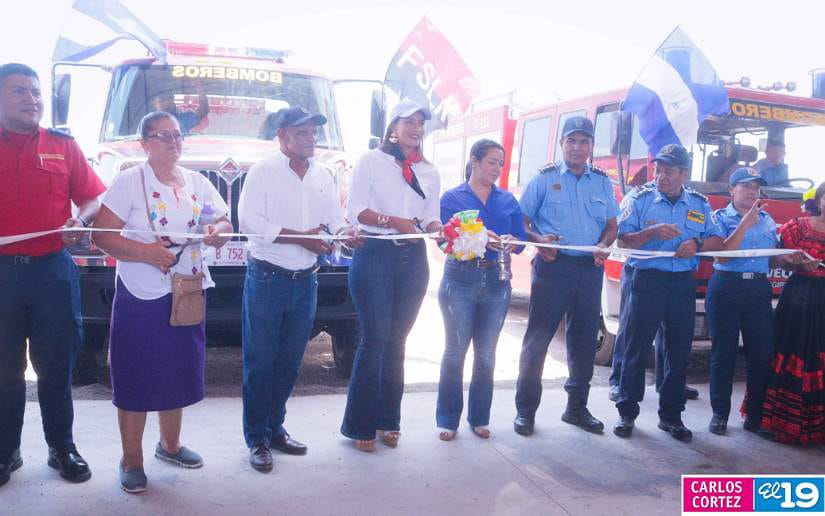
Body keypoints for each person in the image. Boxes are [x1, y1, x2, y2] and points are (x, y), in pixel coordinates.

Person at [92, 111, 232, 493]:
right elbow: (101, 236)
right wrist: (145, 252)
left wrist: (215, 231)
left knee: (178, 370)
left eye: (177, 135)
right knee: (137, 373)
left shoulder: (196, 183)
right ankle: (131, 458)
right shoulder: (129, 181)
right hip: (141, 293)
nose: (173, 142)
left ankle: (169, 446)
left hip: (186, 290)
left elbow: (222, 220)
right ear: (145, 144)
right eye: (163, 136)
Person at [238, 106, 362, 472]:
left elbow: (335, 219)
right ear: (282, 136)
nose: (312, 139)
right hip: (267, 278)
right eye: (303, 132)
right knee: (260, 362)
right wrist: (302, 239)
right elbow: (249, 221)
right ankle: (256, 438)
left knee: (290, 363)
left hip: (306, 281)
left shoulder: (323, 175)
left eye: (313, 133)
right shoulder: (262, 172)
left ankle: (275, 428)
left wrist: (345, 235)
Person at [0, 63, 105, 488]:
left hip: (52, 273)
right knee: (3, 368)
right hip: (2, 276)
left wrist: (81, 219)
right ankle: (6, 450)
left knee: (56, 365)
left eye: (36, 92)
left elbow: (93, 197)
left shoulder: (63, 146)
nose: (32, 100)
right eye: (20, 92)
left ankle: (62, 447)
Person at [340, 99, 443, 452]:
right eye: (408, 121)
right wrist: (391, 221)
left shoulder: (429, 171)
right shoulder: (371, 161)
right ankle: (360, 424)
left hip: (414, 257)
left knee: (398, 341)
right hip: (376, 255)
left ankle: (389, 419)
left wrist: (439, 227)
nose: (416, 128)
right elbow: (356, 211)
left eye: (420, 123)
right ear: (392, 128)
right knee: (375, 338)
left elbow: (429, 215)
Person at [513, 116, 619, 436]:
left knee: (584, 342)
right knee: (538, 341)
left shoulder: (602, 181)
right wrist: (538, 241)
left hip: (589, 269)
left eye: (584, 141)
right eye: (571, 141)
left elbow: (612, 225)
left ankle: (576, 409)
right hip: (552, 268)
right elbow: (523, 220)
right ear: (562, 145)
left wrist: (604, 244)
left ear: (591, 146)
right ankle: (526, 411)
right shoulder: (544, 179)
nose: (577, 147)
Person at [613, 144, 722, 442]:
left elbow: (715, 239)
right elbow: (623, 240)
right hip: (646, 280)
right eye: (658, 169)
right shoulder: (640, 198)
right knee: (637, 347)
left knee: (678, 349)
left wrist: (697, 246)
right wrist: (651, 232)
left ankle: (671, 416)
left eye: (668, 171)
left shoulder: (699, 203)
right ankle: (627, 412)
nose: (661, 176)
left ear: (684, 174)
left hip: (681, 283)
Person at [436, 139, 527, 441]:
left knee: (486, 354)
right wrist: (478, 237)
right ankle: (448, 419)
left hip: (496, 282)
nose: (497, 168)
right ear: (474, 162)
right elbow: (444, 241)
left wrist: (512, 242)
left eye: (500, 163)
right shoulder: (452, 198)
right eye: (491, 161)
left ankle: (479, 418)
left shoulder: (508, 200)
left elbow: (522, 241)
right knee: (454, 352)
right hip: (460, 280)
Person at [705, 168, 802, 436]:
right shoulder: (719, 218)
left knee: (761, 354)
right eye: (745, 186)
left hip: (758, 287)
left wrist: (789, 259)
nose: (751, 192)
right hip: (726, 286)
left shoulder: (768, 220)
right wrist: (745, 223)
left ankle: (755, 417)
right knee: (723, 354)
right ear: (731, 191)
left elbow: (770, 258)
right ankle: (719, 415)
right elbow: (722, 256)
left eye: (756, 188)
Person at [761, 182, 825, 445]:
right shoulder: (797, 226)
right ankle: (780, 422)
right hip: (799, 298)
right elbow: (775, 259)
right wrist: (793, 260)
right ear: (819, 200)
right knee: (792, 352)